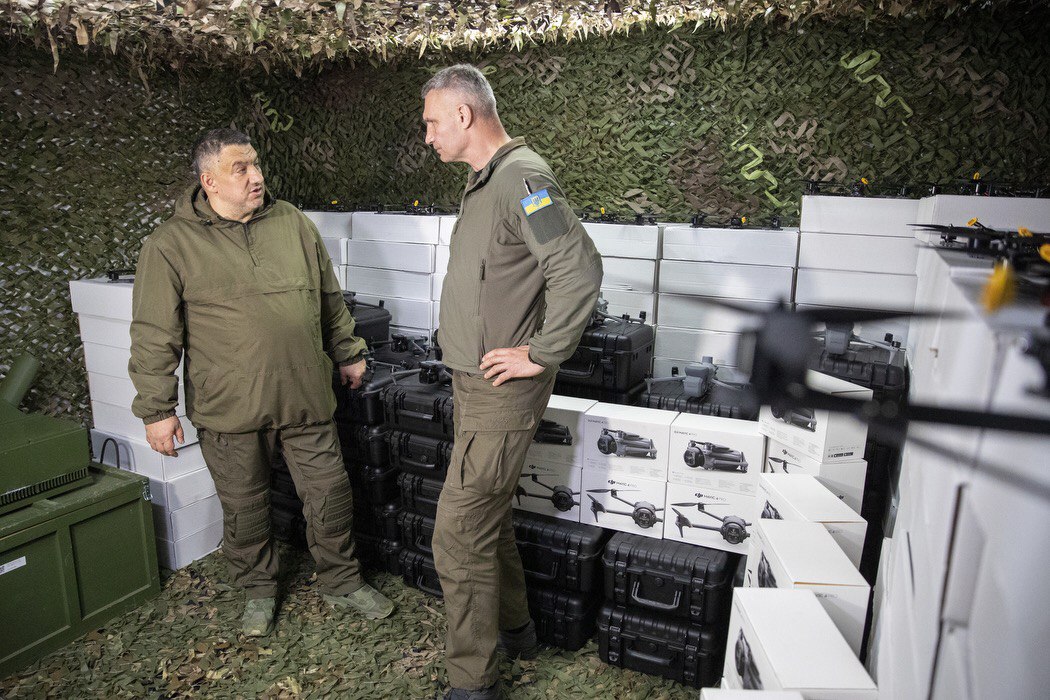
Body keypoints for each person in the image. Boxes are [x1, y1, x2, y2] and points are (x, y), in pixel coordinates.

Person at [128, 128, 394, 637]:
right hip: (230, 407)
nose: (256, 176)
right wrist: (157, 410)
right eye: (240, 168)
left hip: (305, 395)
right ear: (209, 181)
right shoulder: (170, 245)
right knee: (245, 509)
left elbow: (329, 297)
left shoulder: (292, 222)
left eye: (255, 164)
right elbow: (154, 334)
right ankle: (258, 590)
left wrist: (348, 351)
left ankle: (342, 581)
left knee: (331, 495)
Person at [422, 65, 603, 700]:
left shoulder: (523, 181)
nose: (428, 136)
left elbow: (579, 269)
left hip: (500, 390)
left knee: (458, 532)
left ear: (464, 115)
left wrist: (542, 352)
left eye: (432, 122)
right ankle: (518, 630)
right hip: (474, 384)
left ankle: (473, 684)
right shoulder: (487, 181)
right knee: (488, 516)